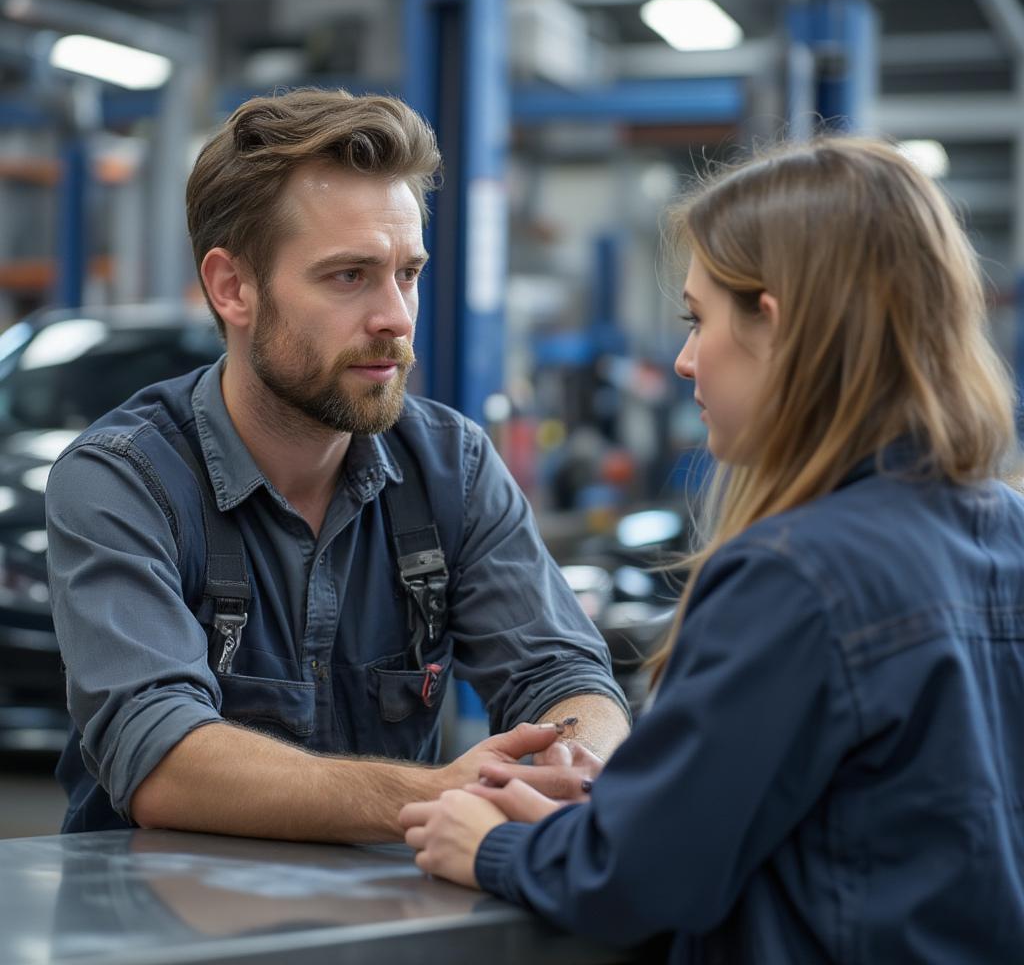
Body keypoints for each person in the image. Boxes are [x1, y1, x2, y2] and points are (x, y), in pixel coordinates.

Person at [399, 136, 1024, 963]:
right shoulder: (1002, 530)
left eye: (699, 319)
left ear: (777, 323)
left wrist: (487, 844)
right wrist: (613, 812)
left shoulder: (795, 575)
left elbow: (640, 881)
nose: (687, 360)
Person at [45, 88, 629, 841]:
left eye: (407, 273)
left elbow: (564, 675)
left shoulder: (451, 468)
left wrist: (573, 763)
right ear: (233, 288)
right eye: (349, 275)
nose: (396, 316)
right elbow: (159, 755)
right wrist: (439, 793)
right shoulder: (124, 480)